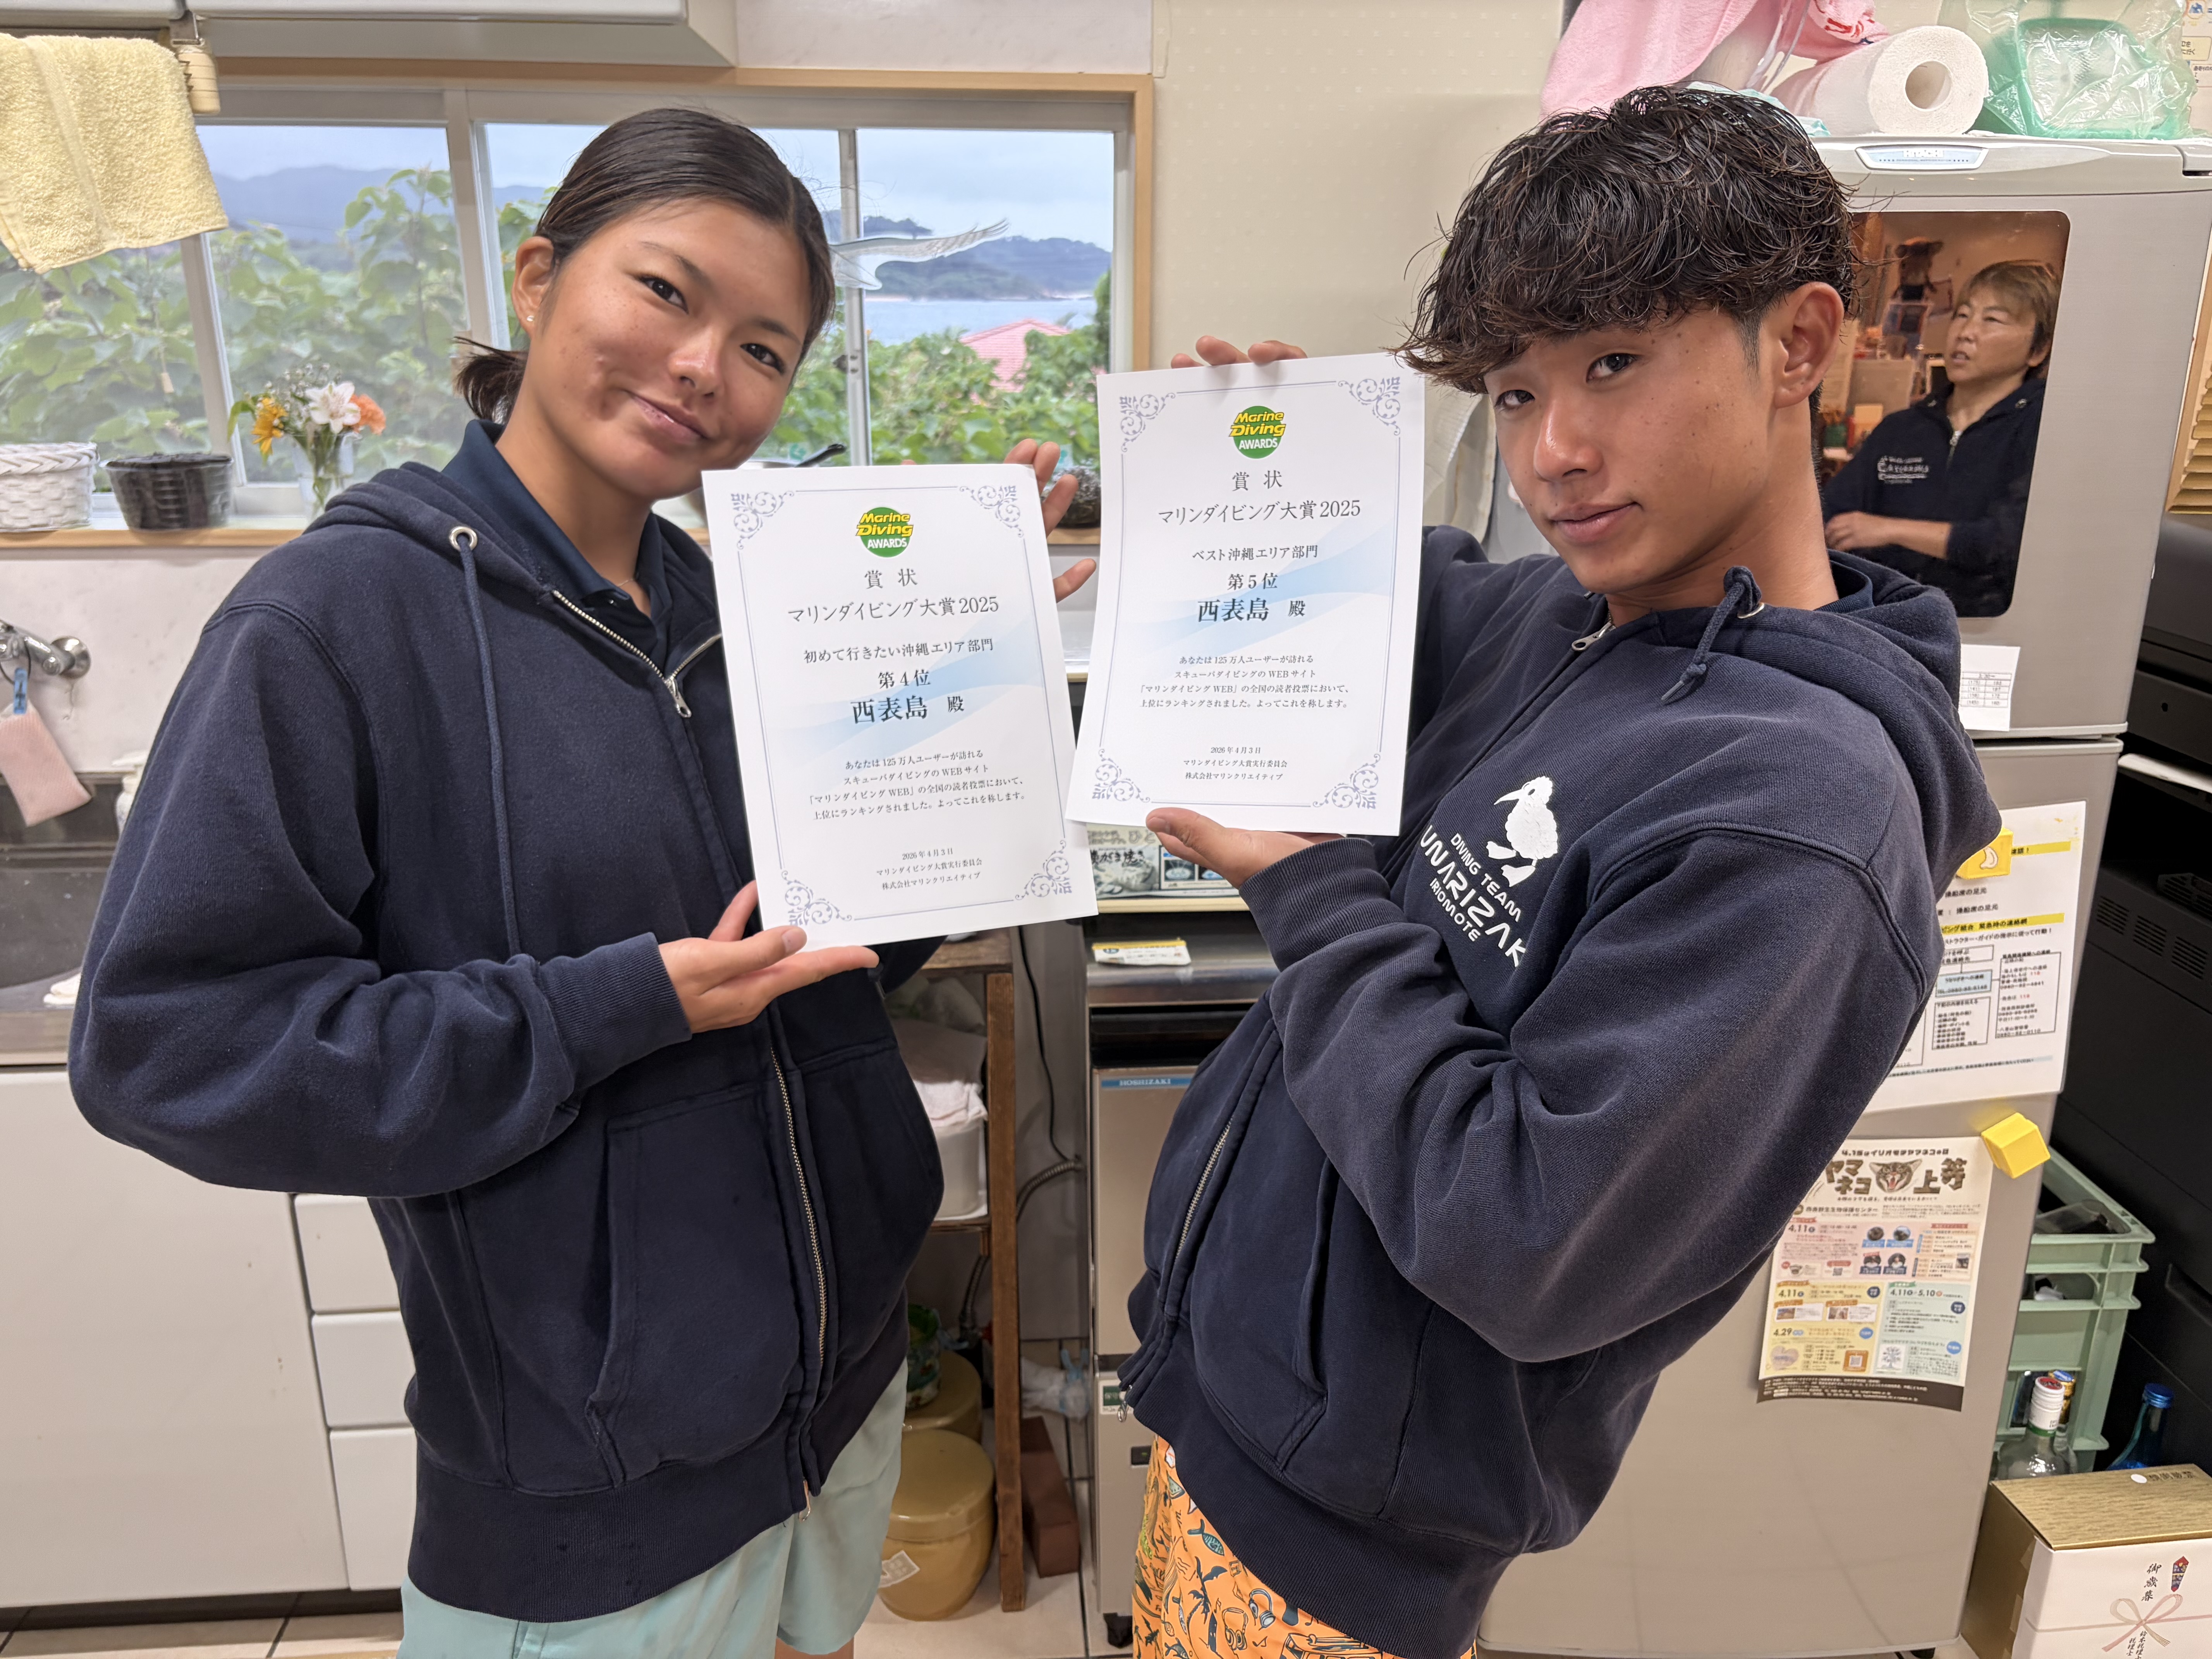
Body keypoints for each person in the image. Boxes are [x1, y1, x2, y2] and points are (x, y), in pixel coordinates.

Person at [69, 109, 1092, 1659]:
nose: (703, 368)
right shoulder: (334, 623)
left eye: (763, 348)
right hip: (593, 1497)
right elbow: (168, 1047)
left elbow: (816, 950)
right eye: (667, 292)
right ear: (539, 277)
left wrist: (969, 704)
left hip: (838, 1413)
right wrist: (616, 1006)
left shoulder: (737, 613)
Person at [1116, 88, 1999, 1659]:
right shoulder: (1565, 621)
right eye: (1516, 391)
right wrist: (1250, 495)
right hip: (1232, 1406)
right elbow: (1380, 601)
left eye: (1613, 365)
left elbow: (1527, 1237)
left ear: (1798, 344)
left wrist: (1309, 890)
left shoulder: (1799, 810)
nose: (1555, 452)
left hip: (1350, 1535)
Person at [1822, 258, 2059, 616]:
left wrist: (1890, 530)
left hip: (1984, 624)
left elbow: (2006, 543)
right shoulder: (1902, 428)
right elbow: (1832, 517)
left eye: (1992, 320)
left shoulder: (2044, 428)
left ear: (2038, 350)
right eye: (1963, 315)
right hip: (1885, 623)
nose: (1966, 332)